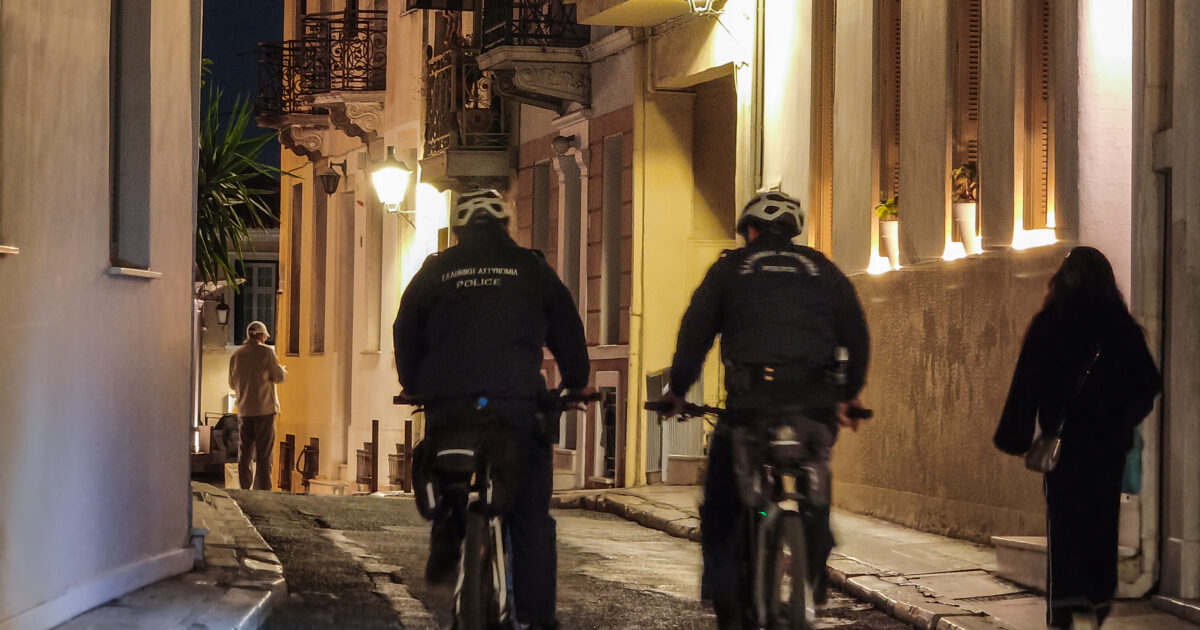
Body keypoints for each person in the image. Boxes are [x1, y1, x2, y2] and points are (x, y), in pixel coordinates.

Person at [663, 191, 870, 628]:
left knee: (721, 504)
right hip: (813, 406)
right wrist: (849, 393)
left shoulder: (731, 268)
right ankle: (814, 564)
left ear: (750, 231)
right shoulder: (822, 269)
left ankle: (724, 592)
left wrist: (677, 389)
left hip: (750, 407)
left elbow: (695, 332)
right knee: (815, 477)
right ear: (792, 232)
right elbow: (857, 334)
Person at [394, 187, 590, 630]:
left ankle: (449, 520)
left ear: (458, 230)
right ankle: (536, 618)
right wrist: (576, 382)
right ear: (505, 225)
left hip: (450, 406)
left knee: (445, 465)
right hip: (515, 406)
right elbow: (567, 328)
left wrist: (414, 385)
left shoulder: (435, 270)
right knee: (529, 515)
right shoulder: (531, 268)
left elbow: (405, 327)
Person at [994, 246, 1160, 630]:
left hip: (1063, 448)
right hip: (1106, 450)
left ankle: (1066, 607)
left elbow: (1026, 385)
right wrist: (1120, 420)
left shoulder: (1049, 323)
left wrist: (1017, 434)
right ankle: (1096, 600)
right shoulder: (1119, 328)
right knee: (1102, 524)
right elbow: (1147, 384)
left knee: (1065, 526)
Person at [228, 320, 287, 491]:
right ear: (261, 336)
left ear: (248, 335)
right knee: (263, 453)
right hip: (264, 410)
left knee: (245, 452)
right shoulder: (266, 352)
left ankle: (245, 486)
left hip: (244, 410)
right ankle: (262, 488)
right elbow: (278, 377)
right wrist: (282, 370)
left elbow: (232, 384)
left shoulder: (236, 355)